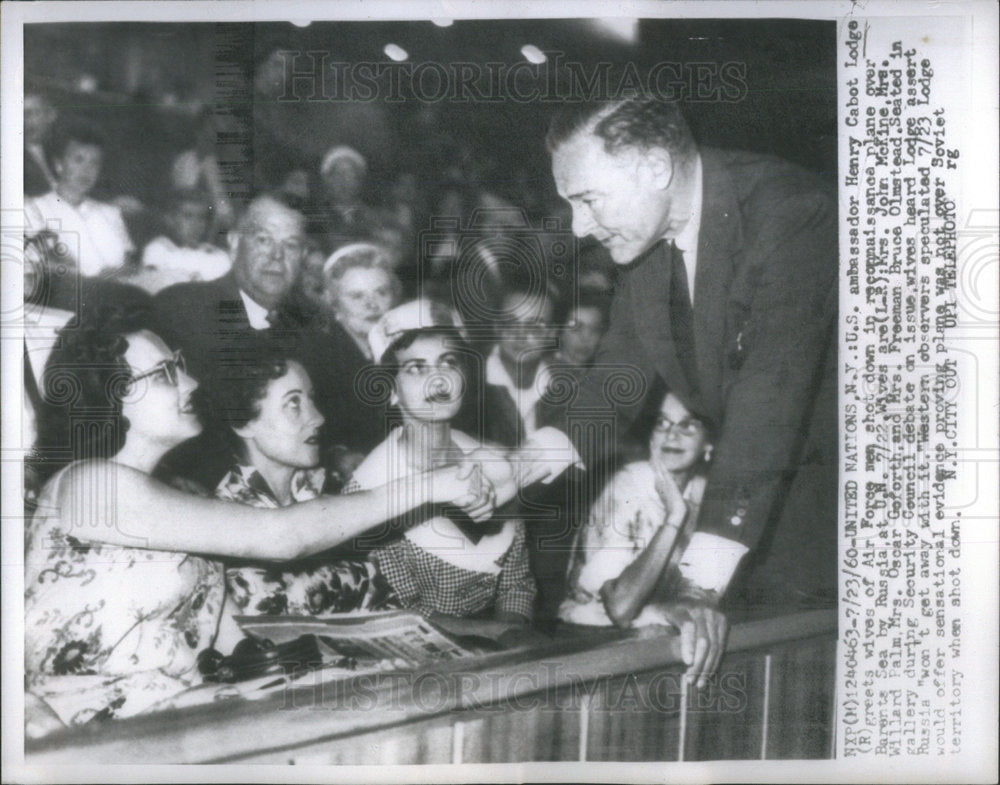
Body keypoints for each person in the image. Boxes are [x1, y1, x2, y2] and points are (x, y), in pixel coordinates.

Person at [23, 305, 493, 737]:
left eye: (180, 365)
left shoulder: (176, 499)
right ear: (111, 394)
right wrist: (429, 486)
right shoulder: (91, 486)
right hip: (85, 732)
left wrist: (343, 672)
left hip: (171, 718)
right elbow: (283, 535)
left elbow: (239, 650)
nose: (190, 383)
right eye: (166, 373)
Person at [531, 95, 837, 641]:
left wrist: (700, 584)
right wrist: (521, 464)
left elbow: (769, 402)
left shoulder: (792, 214)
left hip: (832, 516)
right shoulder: (653, 229)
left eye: (589, 200)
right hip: (750, 498)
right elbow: (618, 374)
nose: (578, 228)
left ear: (654, 167)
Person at [344, 300, 535, 625]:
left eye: (448, 362)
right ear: (391, 389)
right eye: (416, 368)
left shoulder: (492, 458)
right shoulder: (368, 489)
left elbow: (517, 584)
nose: (439, 380)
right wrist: (489, 637)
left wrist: (511, 635)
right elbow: (399, 610)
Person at [150, 196, 341, 489]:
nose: (276, 256)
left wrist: (338, 453)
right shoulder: (182, 309)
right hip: (199, 488)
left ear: (303, 255)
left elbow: (335, 416)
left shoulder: (315, 325)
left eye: (290, 245)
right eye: (264, 240)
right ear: (235, 242)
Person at [204, 339, 397, 616]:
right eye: (293, 403)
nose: (318, 418)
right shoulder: (225, 528)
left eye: (311, 398)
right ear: (243, 423)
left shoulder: (335, 489)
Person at [559, 392, 725, 688]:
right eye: (662, 423)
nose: (672, 434)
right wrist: (674, 517)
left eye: (688, 425)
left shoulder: (708, 495)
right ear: (651, 437)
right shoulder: (627, 485)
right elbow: (620, 607)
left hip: (658, 640)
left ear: (708, 444)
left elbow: (703, 594)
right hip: (589, 645)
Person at [318, 242, 404, 466]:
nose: (372, 305)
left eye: (381, 292)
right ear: (333, 303)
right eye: (357, 296)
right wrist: (337, 455)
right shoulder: (319, 360)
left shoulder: (406, 350)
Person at [25, 120, 135, 277]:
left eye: (94, 163)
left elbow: (129, 267)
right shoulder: (34, 210)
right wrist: (99, 278)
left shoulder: (111, 213)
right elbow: (42, 268)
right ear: (59, 165)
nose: (87, 170)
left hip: (121, 289)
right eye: (79, 160)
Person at [131, 189, 231, 292]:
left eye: (201, 217)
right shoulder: (158, 249)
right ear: (171, 219)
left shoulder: (218, 256)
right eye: (188, 216)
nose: (196, 224)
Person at [553, 290, 609, 370]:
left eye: (594, 329)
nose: (585, 338)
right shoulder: (543, 372)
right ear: (559, 331)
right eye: (576, 328)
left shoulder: (601, 373)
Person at [23, 91, 58, 197]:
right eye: (23, 114)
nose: (26, 120)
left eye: (34, 113)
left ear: (51, 115)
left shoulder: (58, 148)